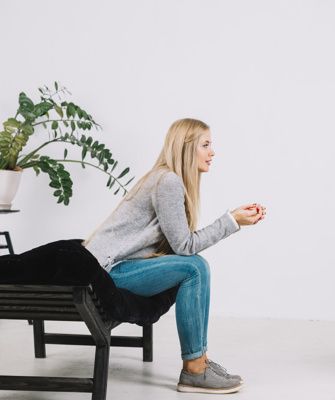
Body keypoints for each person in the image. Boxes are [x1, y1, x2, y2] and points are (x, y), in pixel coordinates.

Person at [85, 118, 266, 394]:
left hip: (122, 267)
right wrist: (233, 220)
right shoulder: (167, 181)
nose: (212, 152)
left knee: (196, 266)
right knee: (194, 267)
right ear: (186, 147)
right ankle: (194, 369)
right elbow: (184, 246)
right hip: (110, 272)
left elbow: (178, 245)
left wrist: (235, 219)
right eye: (205, 145)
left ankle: (200, 361)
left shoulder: (168, 179)